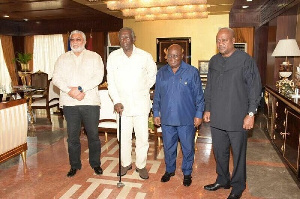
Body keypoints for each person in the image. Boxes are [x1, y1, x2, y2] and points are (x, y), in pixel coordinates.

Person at [203, 28, 262, 199]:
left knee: (238, 154)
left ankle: (238, 185)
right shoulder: (214, 61)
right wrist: (207, 108)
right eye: (218, 40)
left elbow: (254, 88)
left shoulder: (245, 60)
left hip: (238, 118)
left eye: (224, 40)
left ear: (233, 40)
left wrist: (251, 113)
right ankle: (222, 180)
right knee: (219, 152)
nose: (220, 43)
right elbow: (210, 87)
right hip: (217, 116)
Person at [106, 27, 157, 179]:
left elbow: (152, 75)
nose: (124, 40)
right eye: (121, 38)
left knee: (142, 137)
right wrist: (116, 100)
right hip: (122, 106)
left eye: (127, 37)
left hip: (141, 105)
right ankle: (125, 163)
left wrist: (142, 88)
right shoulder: (113, 57)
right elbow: (111, 82)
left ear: (134, 38)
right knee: (124, 137)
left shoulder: (145, 56)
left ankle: (141, 166)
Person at [52, 30, 104, 177]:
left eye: (78, 39)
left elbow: (98, 76)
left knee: (93, 135)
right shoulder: (62, 59)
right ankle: (74, 165)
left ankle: (95, 164)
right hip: (69, 103)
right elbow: (56, 78)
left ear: (85, 41)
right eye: (72, 39)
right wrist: (70, 92)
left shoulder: (95, 57)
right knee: (72, 137)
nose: (75, 42)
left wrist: (81, 89)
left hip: (90, 102)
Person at [153, 44, 205, 187]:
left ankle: (187, 172)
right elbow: (157, 95)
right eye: (170, 55)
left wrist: (199, 114)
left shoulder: (191, 72)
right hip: (167, 119)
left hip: (186, 119)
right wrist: (156, 112)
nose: (172, 58)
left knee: (187, 148)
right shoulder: (161, 72)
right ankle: (170, 170)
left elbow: (199, 96)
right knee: (168, 147)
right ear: (166, 56)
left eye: (176, 55)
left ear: (182, 56)